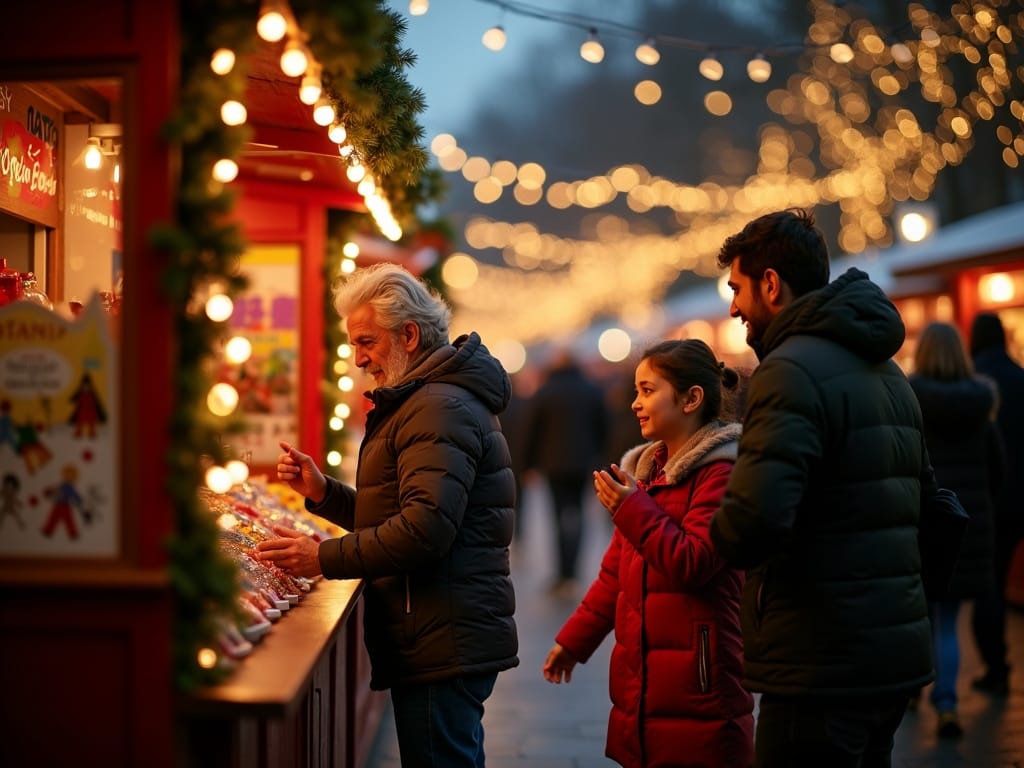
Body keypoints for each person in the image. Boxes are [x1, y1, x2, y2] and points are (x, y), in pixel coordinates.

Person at [256, 262, 518, 768]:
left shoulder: (437, 406)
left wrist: (321, 557)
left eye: (366, 342)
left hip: (442, 636)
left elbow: (423, 531)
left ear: (410, 334)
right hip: (437, 630)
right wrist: (324, 493)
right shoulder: (426, 400)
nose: (357, 359)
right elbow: (398, 514)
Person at [710, 209, 935, 767]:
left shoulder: (789, 372)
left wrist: (717, 523)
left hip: (817, 658)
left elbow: (754, 520)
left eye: (737, 288)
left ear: (771, 284)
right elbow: (929, 502)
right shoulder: (886, 372)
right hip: (889, 654)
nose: (733, 306)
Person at [543, 339, 755, 768]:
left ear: (691, 398)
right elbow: (614, 576)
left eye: (648, 390)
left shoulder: (722, 473)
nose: (635, 403)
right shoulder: (647, 474)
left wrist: (630, 508)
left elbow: (692, 563)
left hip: (700, 682)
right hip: (644, 684)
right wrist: (573, 641)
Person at [909, 321, 1003, 738]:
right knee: (948, 622)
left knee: (919, 615)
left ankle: (912, 689)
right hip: (967, 527)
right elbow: (998, 471)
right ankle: (947, 704)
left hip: (921, 525)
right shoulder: (981, 406)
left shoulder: (910, 402)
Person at [524, 349, 608, 594]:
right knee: (579, 514)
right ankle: (574, 572)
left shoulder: (545, 391)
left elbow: (532, 430)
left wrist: (528, 464)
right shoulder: (591, 390)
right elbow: (603, 427)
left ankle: (562, 572)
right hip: (584, 463)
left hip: (553, 464)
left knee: (558, 516)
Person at [969, 312, 1023, 697]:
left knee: (989, 588)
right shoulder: (1020, 376)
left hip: (990, 501)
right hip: (1023, 496)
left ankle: (997, 666)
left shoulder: (974, 382)